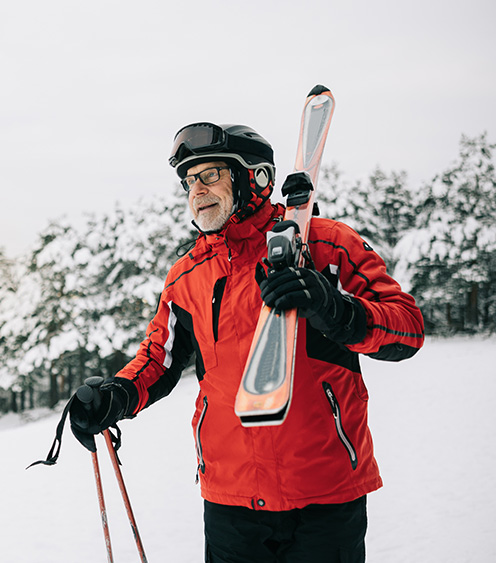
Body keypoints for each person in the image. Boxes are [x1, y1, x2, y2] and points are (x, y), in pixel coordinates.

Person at [68, 122, 425, 562]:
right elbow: (157, 359)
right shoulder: (188, 274)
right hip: (230, 500)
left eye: (210, 175)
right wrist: (116, 395)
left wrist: (333, 308)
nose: (195, 190)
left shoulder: (328, 244)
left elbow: (407, 328)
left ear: (253, 178)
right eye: (188, 180)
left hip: (324, 493)